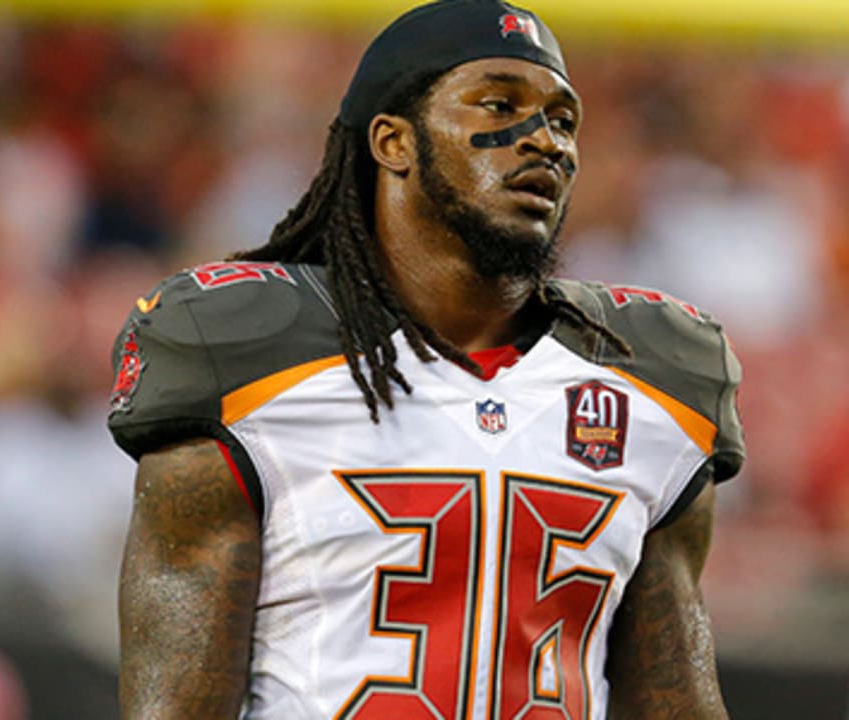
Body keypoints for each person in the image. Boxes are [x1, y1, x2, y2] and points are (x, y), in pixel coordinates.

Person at [107, 1, 744, 717]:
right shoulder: (248, 356)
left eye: (564, 121)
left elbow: (675, 701)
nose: (546, 142)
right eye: (499, 104)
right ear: (394, 142)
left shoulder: (651, 382)